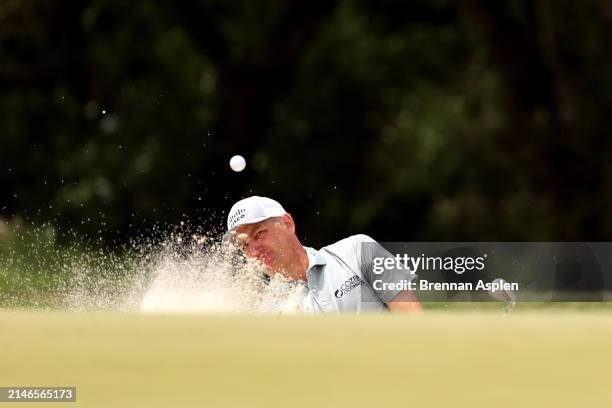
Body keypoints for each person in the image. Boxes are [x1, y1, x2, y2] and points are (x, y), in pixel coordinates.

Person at [225, 196, 422, 313]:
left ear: (287, 223)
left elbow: (413, 319)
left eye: (259, 234)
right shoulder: (270, 313)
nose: (254, 250)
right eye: (244, 246)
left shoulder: (358, 251)